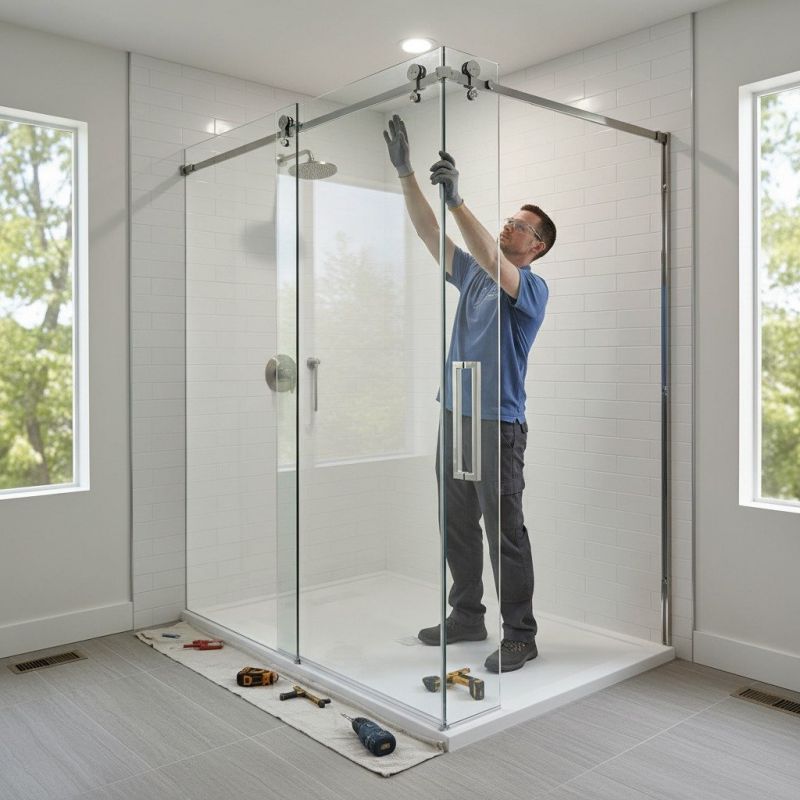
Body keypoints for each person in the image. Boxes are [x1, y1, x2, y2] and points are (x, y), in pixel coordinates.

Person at [383, 114, 557, 673]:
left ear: (539, 245)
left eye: (521, 226)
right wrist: (408, 174)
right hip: (455, 412)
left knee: (504, 530)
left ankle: (520, 634)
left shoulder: (529, 288)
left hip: (496, 424)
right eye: (508, 220)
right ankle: (466, 615)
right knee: (456, 521)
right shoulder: (476, 276)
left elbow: (487, 253)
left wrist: (460, 202)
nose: (510, 227)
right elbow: (428, 233)